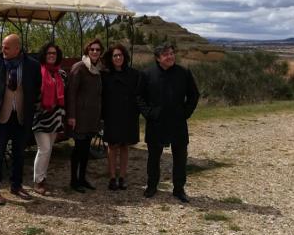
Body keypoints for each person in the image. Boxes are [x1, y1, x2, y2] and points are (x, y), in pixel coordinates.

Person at [0, 33, 42, 205]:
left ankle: (16, 186)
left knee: (19, 154)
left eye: (7, 48)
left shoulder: (32, 65)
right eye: (2, 46)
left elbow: (36, 86)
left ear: (18, 48)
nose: (3, 50)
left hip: (21, 117)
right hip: (1, 117)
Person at [137, 43, 200, 203]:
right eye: (166, 54)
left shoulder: (183, 73)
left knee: (180, 157)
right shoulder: (147, 74)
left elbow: (194, 95)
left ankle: (179, 189)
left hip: (177, 122)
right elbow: (139, 97)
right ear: (158, 58)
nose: (170, 56)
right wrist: (149, 114)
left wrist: (185, 113)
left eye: (172, 53)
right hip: (156, 122)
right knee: (153, 157)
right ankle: (152, 186)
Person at [66, 38, 104, 192]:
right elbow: (71, 93)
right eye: (92, 49)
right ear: (87, 51)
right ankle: (74, 181)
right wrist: (72, 116)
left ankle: (82, 178)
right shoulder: (79, 68)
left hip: (92, 116)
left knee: (86, 149)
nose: (94, 52)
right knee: (78, 149)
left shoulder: (98, 69)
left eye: (97, 50)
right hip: (80, 116)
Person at [101, 43, 140, 191]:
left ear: (125, 57)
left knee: (125, 146)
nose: (118, 58)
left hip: (129, 114)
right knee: (112, 146)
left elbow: (138, 95)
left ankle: (122, 177)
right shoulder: (105, 75)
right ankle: (112, 177)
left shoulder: (134, 74)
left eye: (120, 55)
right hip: (111, 115)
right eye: (115, 55)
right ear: (111, 58)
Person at [32, 42, 66, 196]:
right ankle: (38, 181)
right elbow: (31, 95)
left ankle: (43, 177)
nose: (52, 55)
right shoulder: (38, 72)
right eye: (49, 53)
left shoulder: (61, 74)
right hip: (40, 117)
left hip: (55, 117)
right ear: (44, 56)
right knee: (44, 149)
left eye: (54, 53)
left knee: (49, 149)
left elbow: (65, 96)